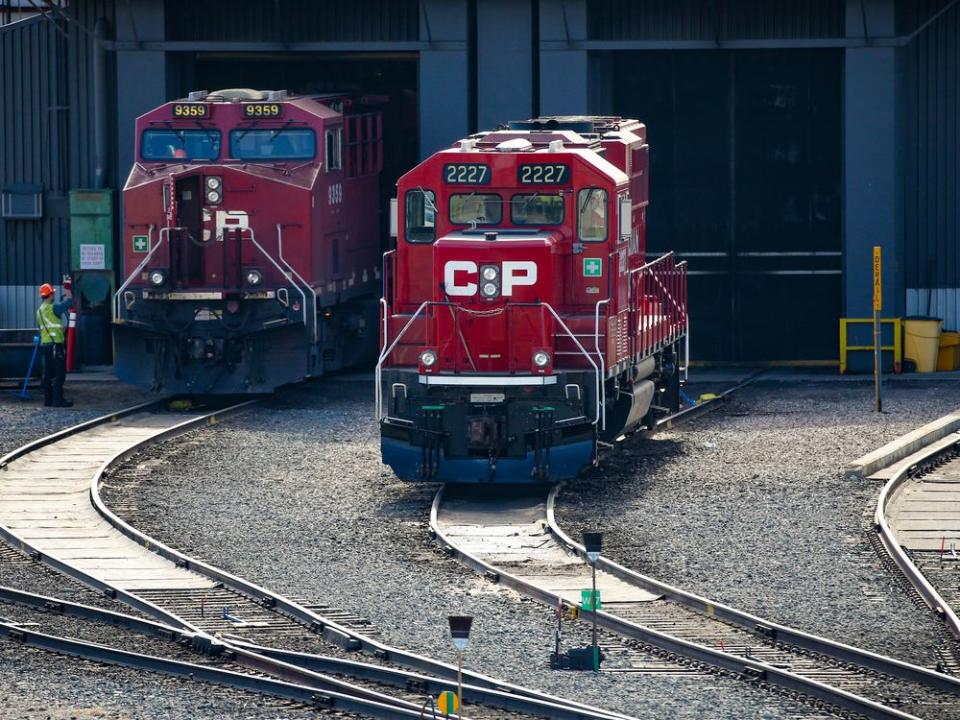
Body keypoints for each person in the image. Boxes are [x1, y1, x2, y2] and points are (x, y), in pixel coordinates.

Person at [36, 283, 73, 407]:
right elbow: (70, 303)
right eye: (53, 293)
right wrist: (68, 288)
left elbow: (46, 327)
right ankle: (58, 400)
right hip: (55, 345)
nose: (54, 295)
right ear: (50, 294)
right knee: (59, 373)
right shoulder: (54, 308)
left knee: (48, 373)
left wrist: (60, 330)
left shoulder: (40, 310)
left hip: (46, 345)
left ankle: (48, 400)